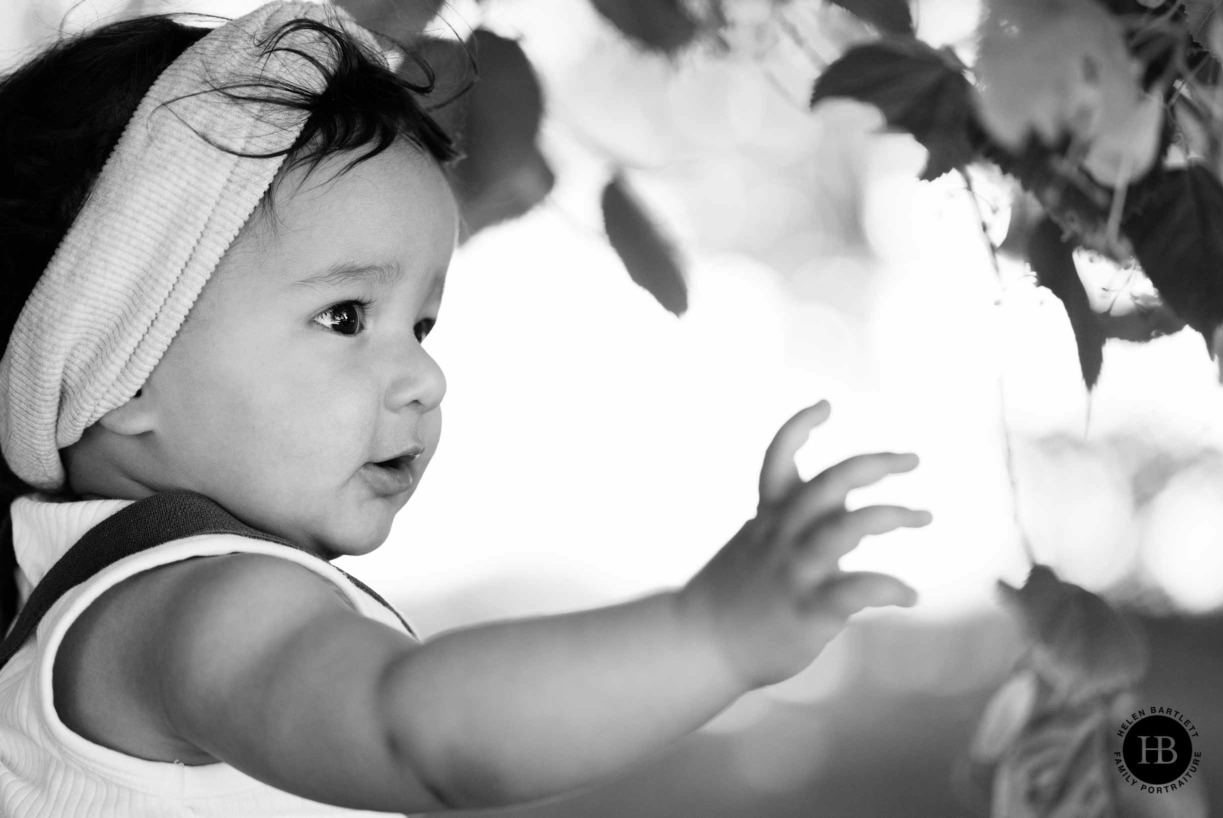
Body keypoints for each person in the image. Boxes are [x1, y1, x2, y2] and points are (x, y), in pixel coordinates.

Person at [0, 2, 933, 815]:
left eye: (423, 324)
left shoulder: (91, 598)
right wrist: (712, 637)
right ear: (123, 372)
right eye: (345, 316)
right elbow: (412, 726)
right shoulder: (191, 603)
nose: (423, 378)